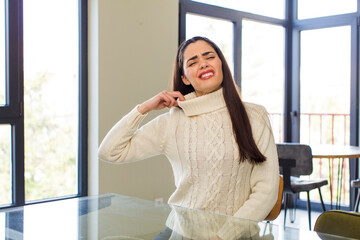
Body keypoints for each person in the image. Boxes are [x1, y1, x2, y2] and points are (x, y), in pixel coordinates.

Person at [98, 36, 279, 224]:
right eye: (193, 62)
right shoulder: (172, 122)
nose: (203, 64)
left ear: (221, 65)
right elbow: (109, 152)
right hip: (180, 232)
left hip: (235, 236)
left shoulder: (254, 115)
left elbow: (266, 189)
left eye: (209, 57)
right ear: (184, 77)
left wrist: (226, 235)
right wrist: (143, 108)